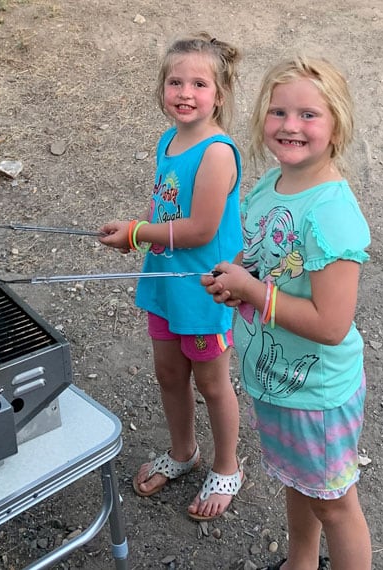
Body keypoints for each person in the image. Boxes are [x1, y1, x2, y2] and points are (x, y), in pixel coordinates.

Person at [202, 55, 372, 569]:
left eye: (308, 115)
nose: (290, 126)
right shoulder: (270, 184)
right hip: (276, 380)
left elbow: (331, 323)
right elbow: (258, 255)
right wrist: (235, 276)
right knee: (297, 481)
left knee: (336, 504)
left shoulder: (331, 215)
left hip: (315, 393)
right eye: (278, 112)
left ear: (336, 124)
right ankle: (300, 561)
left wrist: (253, 294)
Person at [98, 32, 244, 521]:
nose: (185, 92)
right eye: (175, 81)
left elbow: (202, 228)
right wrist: (141, 230)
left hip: (202, 291)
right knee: (168, 373)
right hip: (165, 282)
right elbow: (166, 205)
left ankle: (227, 465)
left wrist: (139, 233)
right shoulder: (168, 139)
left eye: (199, 83)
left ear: (219, 94)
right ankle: (185, 452)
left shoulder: (218, 152)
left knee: (212, 382)